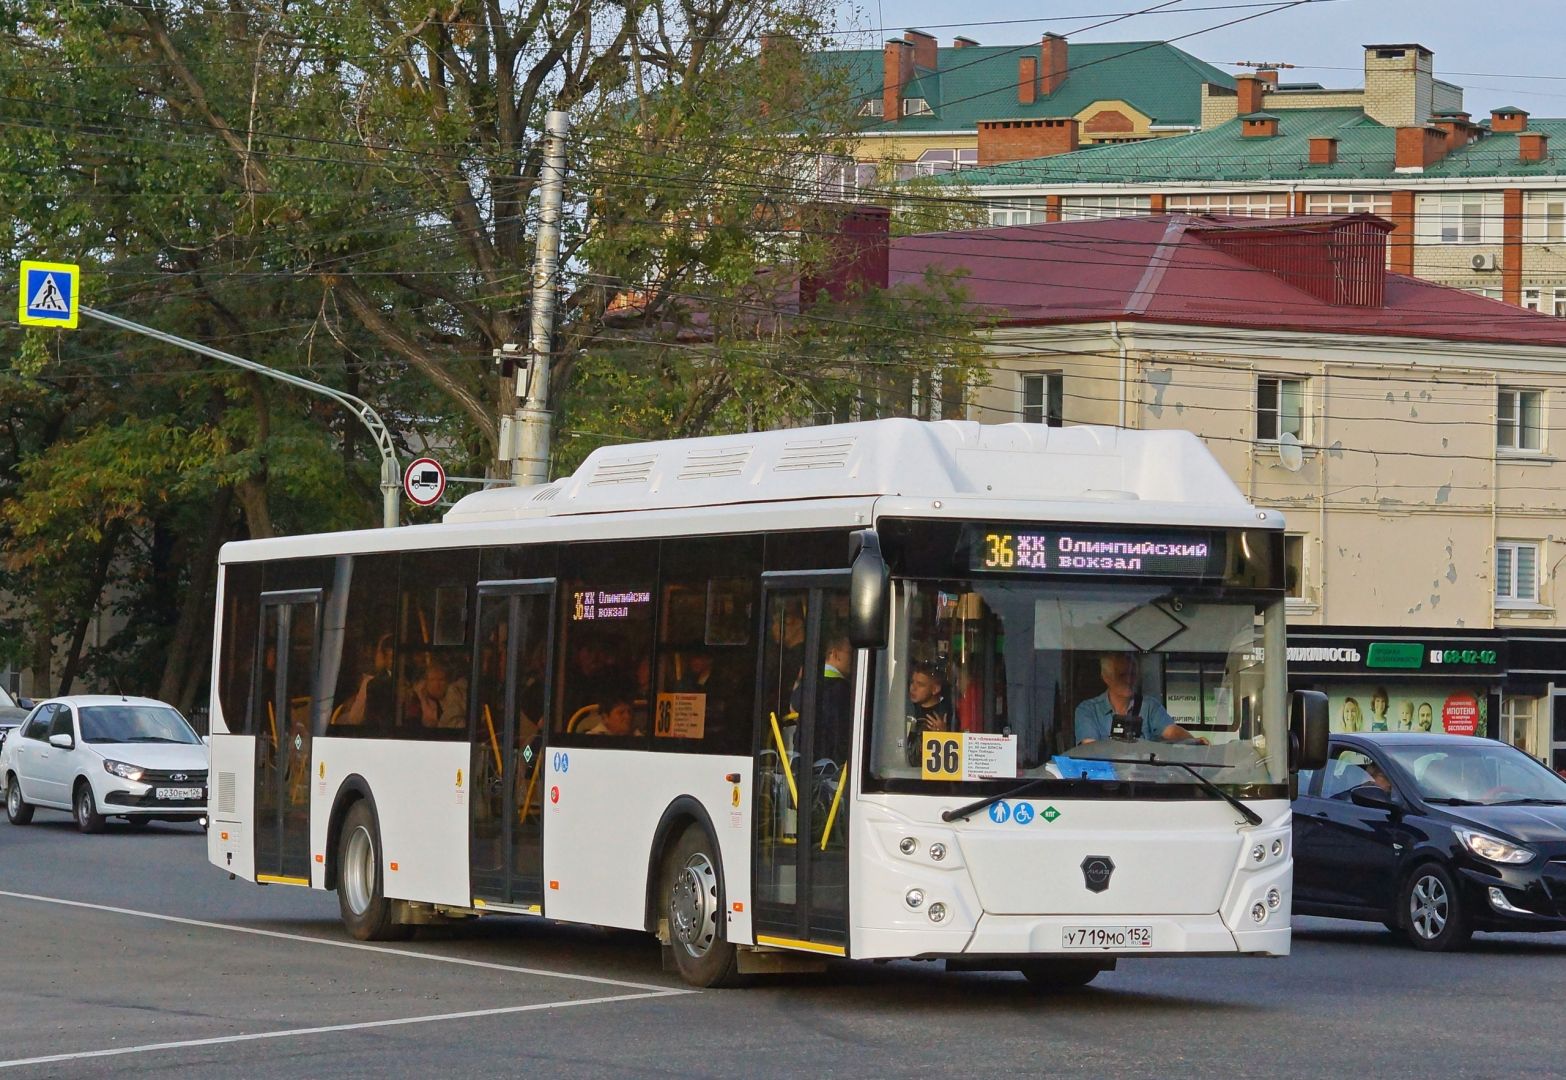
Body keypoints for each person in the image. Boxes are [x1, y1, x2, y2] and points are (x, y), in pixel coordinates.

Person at [1073, 653, 1203, 744]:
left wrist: (1195, 742)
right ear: (1106, 677)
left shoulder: (1149, 706)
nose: (1129, 680)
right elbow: (1090, 748)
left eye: (1132, 674)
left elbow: (1171, 731)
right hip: (1106, 780)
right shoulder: (1088, 710)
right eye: (1122, 675)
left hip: (1143, 779)